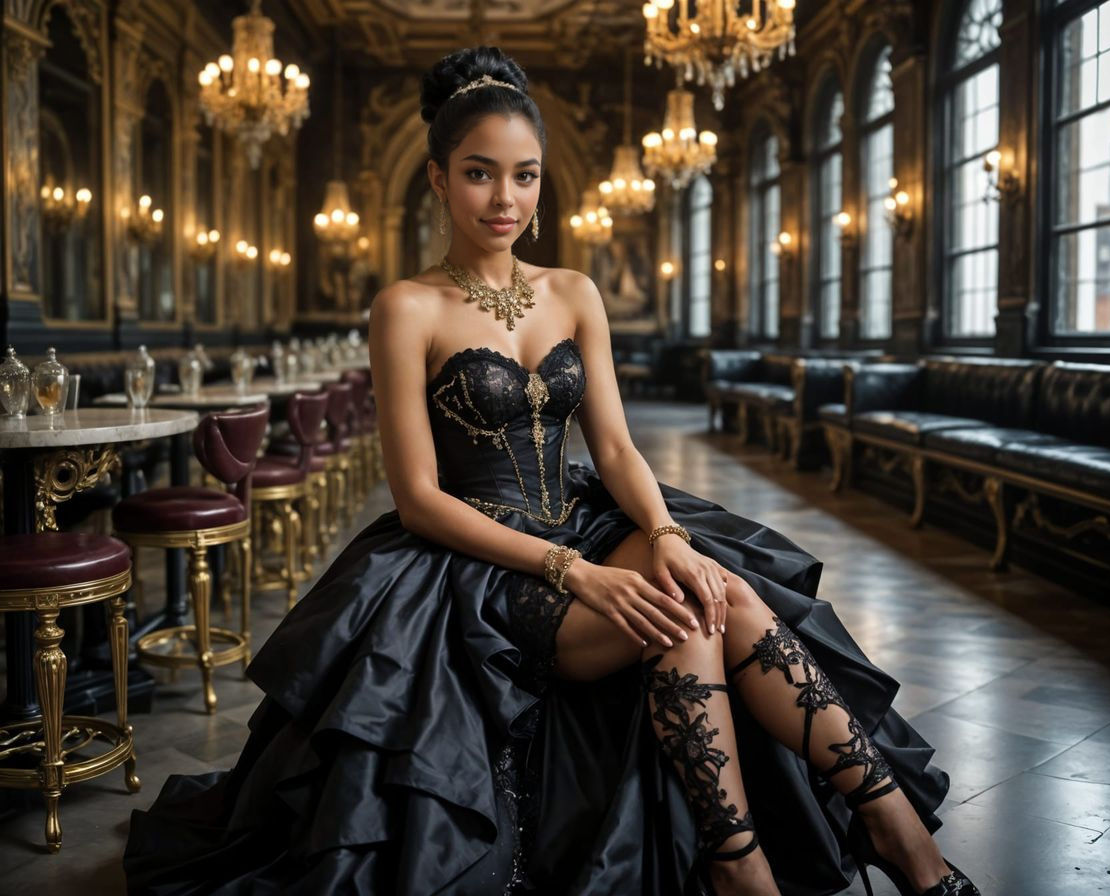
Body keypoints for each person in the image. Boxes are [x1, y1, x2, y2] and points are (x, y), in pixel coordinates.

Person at [123, 46, 980, 896]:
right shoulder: (406, 307)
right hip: (476, 562)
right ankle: (824, 854)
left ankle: (851, 831)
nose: (506, 199)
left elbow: (613, 449)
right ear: (437, 179)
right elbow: (417, 497)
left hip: (584, 514)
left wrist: (665, 533)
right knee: (688, 611)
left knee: (711, 585)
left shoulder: (575, 290)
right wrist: (575, 572)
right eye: (480, 174)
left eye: (525, 176)